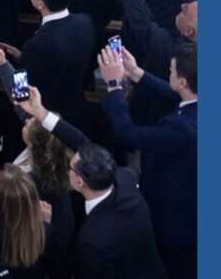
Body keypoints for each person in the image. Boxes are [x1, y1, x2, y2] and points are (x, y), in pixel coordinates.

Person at [16, 86, 168, 279]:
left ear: (79, 182)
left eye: (70, 168)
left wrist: (48, 231)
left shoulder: (91, 241)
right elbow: (80, 141)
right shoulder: (123, 178)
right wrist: (40, 112)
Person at [98, 44, 198, 279]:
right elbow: (173, 93)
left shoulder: (181, 129)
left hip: (176, 223)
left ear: (183, 82)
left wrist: (113, 86)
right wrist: (135, 72)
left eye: (172, 71)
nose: (169, 73)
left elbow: (127, 133)